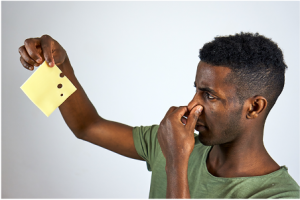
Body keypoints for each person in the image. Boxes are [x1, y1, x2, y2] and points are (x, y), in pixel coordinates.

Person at [19, 33, 300, 199]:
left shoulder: (278, 195)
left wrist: (177, 162)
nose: (192, 106)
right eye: (196, 91)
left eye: (209, 96)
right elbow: (87, 126)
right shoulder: (179, 141)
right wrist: (60, 65)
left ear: (254, 107)